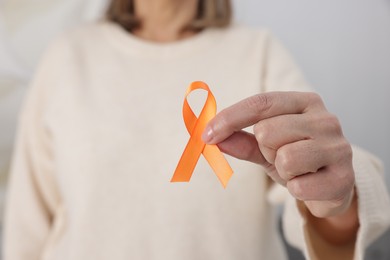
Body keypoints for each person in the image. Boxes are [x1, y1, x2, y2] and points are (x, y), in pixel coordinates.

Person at [3, 0, 390, 259]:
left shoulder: (257, 50)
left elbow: (318, 204)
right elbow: (26, 226)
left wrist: (339, 198)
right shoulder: (68, 54)